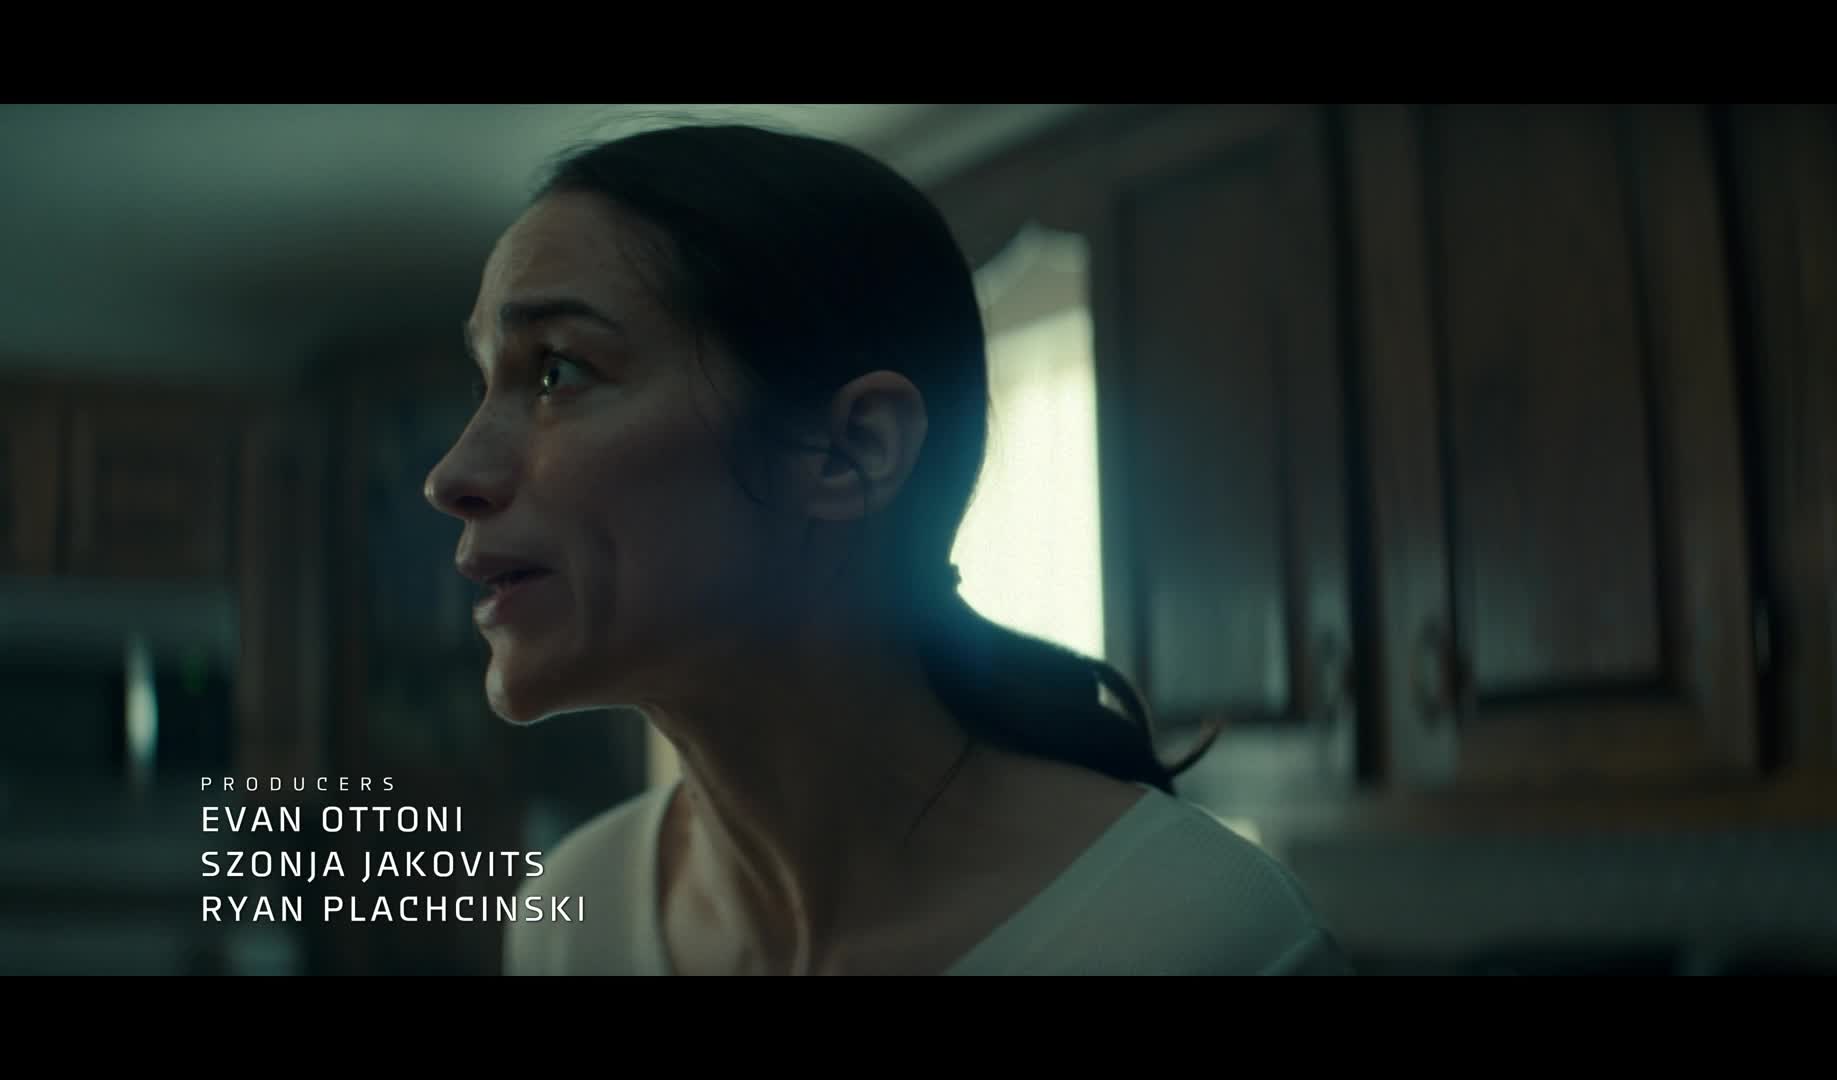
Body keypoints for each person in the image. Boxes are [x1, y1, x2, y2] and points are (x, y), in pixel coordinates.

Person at [424, 121, 1349, 976]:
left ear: (851, 452)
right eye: (485, 383)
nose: (452, 475)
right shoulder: (571, 914)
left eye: (557, 371)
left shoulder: (1202, 939)